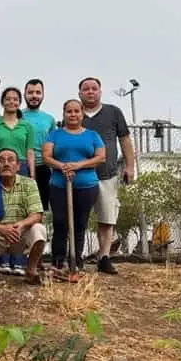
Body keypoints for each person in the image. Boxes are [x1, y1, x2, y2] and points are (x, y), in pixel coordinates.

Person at [79, 77, 135, 274]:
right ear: (80, 93)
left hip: (107, 174)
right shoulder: (75, 112)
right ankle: (76, 258)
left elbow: (125, 140)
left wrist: (130, 166)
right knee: (80, 219)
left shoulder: (113, 112)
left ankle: (104, 257)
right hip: (81, 176)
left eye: (94, 88)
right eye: (86, 89)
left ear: (100, 92)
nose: (90, 92)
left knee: (106, 217)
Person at [43, 99, 106, 273]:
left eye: (76, 111)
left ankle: (77, 260)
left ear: (82, 113)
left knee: (80, 224)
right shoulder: (55, 135)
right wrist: (62, 166)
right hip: (59, 185)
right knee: (60, 222)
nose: (73, 115)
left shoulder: (92, 135)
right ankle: (58, 260)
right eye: (69, 111)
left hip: (86, 186)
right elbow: (47, 156)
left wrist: (78, 165)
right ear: (64, 113)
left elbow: (100, 157)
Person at [0, 148, 49, 286]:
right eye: (1, 160)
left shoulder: (29, 184)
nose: (6, 164)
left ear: (18, 166)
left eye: (11, 160)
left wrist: (21, 225)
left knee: (39, 230)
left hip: (20, 233)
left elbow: (37, 214)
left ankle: (31, 271)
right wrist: (1, 229)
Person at [0, 87, 36, 275]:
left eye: (15, 99)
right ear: (3, 101)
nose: (12, 102)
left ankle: (19, 260)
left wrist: (32, 175)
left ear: (19, 102)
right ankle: (2, 259)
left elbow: (30, 152)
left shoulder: (27, 126)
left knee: (20, 213)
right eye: (8, 99)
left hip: (20, 167)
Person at [22, 78, 57, 242]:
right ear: (25, 94)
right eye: (30, 92)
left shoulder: (49, 119)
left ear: (42, 95)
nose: (34, 96)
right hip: (21, 167)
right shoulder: (17, 115)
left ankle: (36, 248)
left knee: (39, 210)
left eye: (37, 92)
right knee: (19, 209)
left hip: (43, 168)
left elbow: (53, 145)